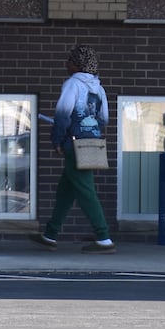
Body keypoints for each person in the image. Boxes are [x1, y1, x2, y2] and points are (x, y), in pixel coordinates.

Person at [31, 44, 115, 253]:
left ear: (78, 64)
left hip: (74, 143)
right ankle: (50, 234)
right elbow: (104, 118)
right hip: (92, 142)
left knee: (86, 190)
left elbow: (62, 114)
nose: (66, 64)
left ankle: (104, 238)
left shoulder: (72, 84)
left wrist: (57, 140)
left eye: (69, 60)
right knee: (66, 191)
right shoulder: (99, 88)